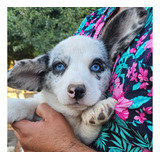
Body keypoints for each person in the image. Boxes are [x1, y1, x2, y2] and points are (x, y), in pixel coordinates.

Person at [12, 7, 153, 152]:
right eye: (60, 66)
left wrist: (64, 146)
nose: (76, 86)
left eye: (96, 66)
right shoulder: (93, 19)